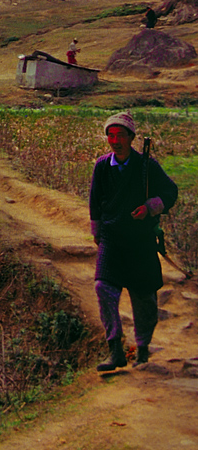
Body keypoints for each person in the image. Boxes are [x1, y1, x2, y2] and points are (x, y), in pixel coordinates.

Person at [89, 111, 178, 371]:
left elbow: (170, 192)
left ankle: (141, 350)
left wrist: (150, 207)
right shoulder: (102, 166)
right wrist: (98, 232)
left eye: (120, 135)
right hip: (112, 238)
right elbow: (95, 202)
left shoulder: (147, 166)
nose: (115, 140)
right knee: (103, 288)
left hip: (141, 242)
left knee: (144, 298)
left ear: (131, 138)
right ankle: (115, 349)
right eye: (111, 135)